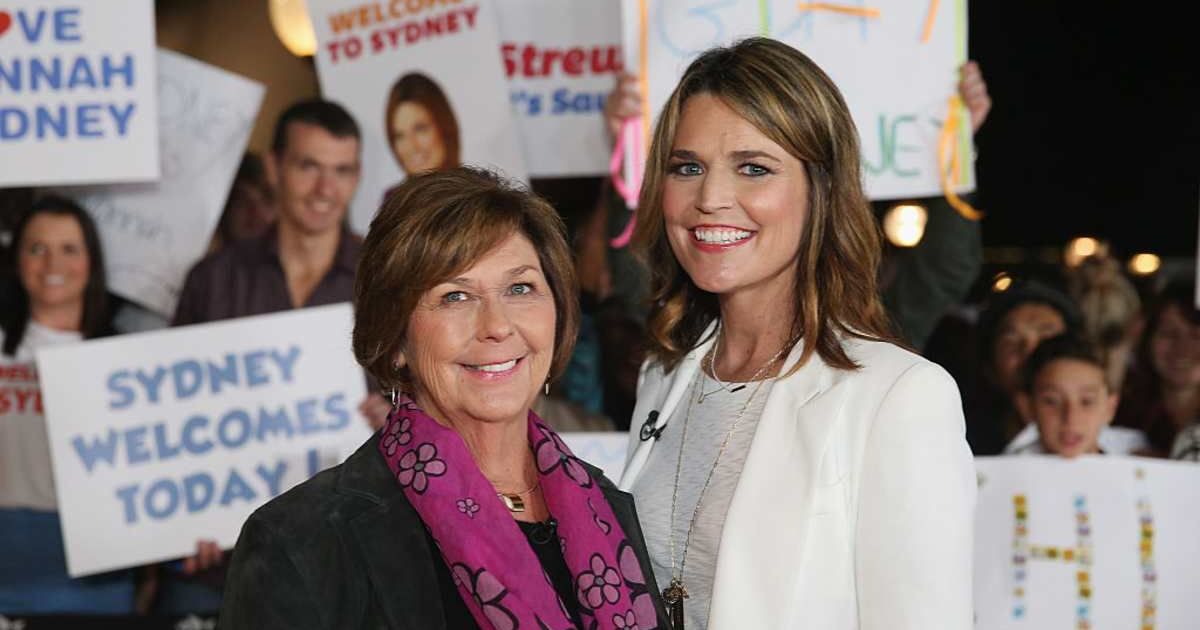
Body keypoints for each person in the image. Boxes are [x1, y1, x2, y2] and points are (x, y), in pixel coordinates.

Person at [618, 39, 974, 629]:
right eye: (687, 168)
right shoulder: (662, 376)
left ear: (821, 190)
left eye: (753, 168)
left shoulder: (899, 396)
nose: (710, 199)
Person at [220, 167, 667, 629]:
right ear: (395, 339)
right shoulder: (301, 541)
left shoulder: (611, 509)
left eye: (520, 288)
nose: (497, 325)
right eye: (455, 296)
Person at [166, 99, 390, 613]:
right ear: (273, 167)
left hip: (350, 557)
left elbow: (426, 398)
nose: (324, 190)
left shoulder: (385, 281)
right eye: (308, 167)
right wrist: (182, 516)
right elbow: (173, 421)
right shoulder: (215, 278)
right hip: (225, 560)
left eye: (341, 171)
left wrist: (401, 416)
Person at [0, 196, 131, 613]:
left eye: (69, 249)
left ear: (91, 262)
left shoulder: (129, 362)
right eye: (37, 249)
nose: (52, 263)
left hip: (97, 573)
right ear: (16, 260)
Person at [964, 280, 1083, 455]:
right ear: (989, 368)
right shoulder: (961, 443)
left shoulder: (1117, 449)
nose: (1030, 352)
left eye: (1047, 338)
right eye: (1011, 342)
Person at [1005, 333, 1147, 457]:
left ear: (1110, 408)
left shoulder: (1136, 464)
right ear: (1027, 407)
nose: (1071, 418)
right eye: (1052, 401)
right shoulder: (1002, 476)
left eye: (1087, 401)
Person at [1114, 281, 1200, 456]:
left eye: (1196, 335)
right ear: (1147, 340)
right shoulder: (1119, 412)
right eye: (1168, 333)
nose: (1182, 348)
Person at [385, 72, 461, 176]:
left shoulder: (480, 188)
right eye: (399, 136)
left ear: (444, 125)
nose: (411, 147)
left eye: (420, 129)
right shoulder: (393, 193)